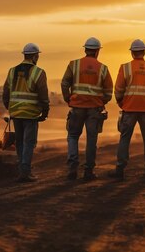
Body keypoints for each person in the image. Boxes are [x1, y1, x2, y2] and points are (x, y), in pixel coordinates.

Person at [108, 39, 145, 180]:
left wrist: (122, 103)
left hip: (129, 108)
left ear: (132, 53)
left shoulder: (125, 68)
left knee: (125, 139)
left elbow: (118, 89)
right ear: (144, 52)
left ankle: (120, 169)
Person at [61, 37, 113, 181]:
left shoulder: (74, 64)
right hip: (94, 109)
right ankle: (88, 171)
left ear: (85, 49)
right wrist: (103, 101)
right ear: (97, 51)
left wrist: (68, 99)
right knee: (91, 140)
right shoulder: (103, 68)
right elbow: (109, 90)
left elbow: (65, 83)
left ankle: (72, 168)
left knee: (72, 136)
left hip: (77, 107)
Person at [2, 43, 50, 182]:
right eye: (38, 56)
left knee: (20, 142)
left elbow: (6, 92)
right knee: (29, 142)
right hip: (31, 114)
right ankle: (25, 172)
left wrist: (9, 107)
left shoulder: (12, 71)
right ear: (35, 56)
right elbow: (43, 94)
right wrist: (45, 111)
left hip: (16, 113)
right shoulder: (39, 72)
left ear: (24, 55)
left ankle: (22, 170)